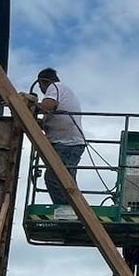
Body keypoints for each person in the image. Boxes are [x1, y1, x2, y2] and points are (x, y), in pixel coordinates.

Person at [30, 67, 88, 209]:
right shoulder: (62, 90)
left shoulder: (54, 87)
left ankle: (66, 210)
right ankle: (76, 209)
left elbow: (48, 106)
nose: (42, 91)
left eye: (41, 87)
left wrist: (29, 103)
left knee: (54, 179)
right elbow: (49, 121)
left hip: (67, 144)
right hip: (69, 143)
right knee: (67, 182)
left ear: (43, 82)